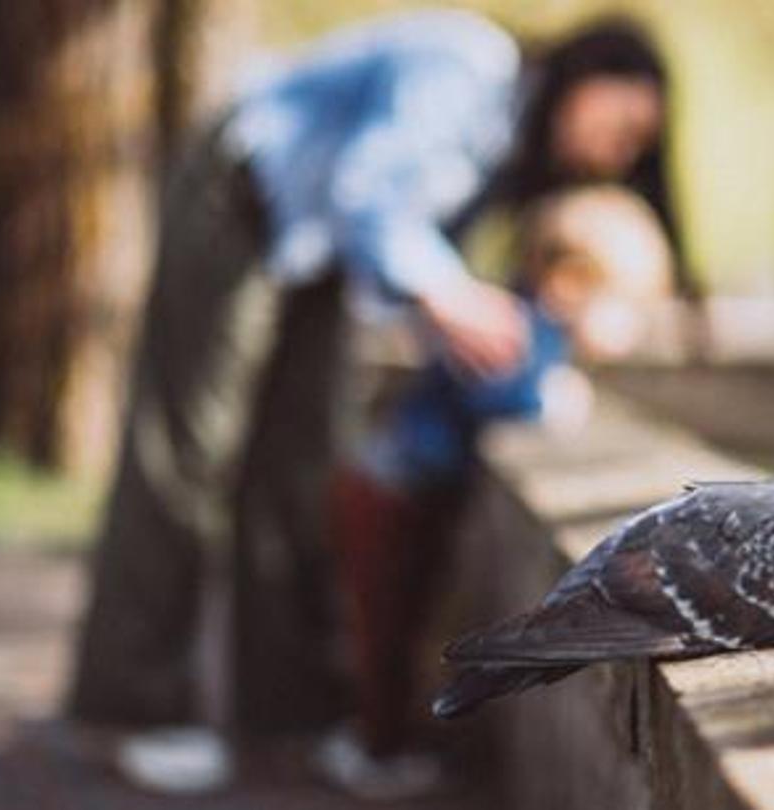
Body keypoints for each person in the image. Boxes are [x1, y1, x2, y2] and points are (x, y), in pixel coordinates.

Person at [65, 10, 695, 795]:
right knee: (188, 453)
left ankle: (291, 719)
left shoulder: (503, 163)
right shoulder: (469, 70)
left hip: (315, 250)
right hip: (241, 197)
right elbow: (368, 189)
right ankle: (132, 709)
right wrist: (447, 293)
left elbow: (405, 266)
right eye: (624, 122)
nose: (620, 152)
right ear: (584, 76)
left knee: (298, 472)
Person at [315, 186, 673, 799]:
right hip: (388, 496)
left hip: (399, 492)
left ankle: (378, 740)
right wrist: (547, 400)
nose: (634, 327)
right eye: (627, 308)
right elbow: (494, 394)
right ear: (570, 282)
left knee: (399, 623)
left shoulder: (531, 329)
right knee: (386, 630)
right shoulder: (517, 330)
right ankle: (372, 749)